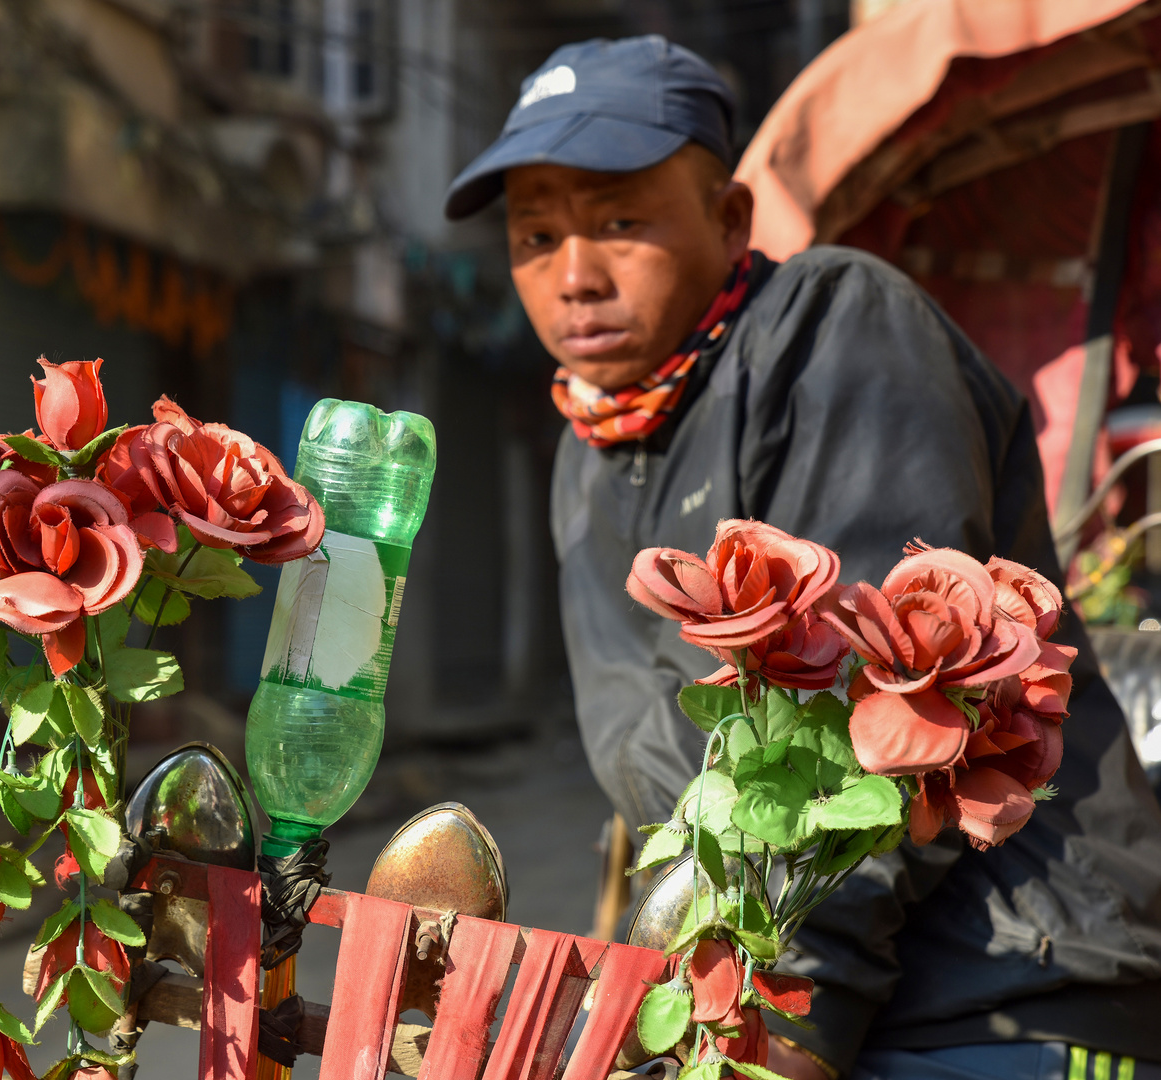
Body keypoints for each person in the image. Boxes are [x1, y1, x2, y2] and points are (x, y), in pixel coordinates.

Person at [444, 36, 1161, 1080]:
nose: (574, 276)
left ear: (730, 219)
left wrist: (784, 1031)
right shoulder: (586, 452)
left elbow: (871, 722)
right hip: (783, 992)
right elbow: (658, 774)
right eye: (534, 235)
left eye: (619, 222)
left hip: (1006, 989)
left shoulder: (834, 324)